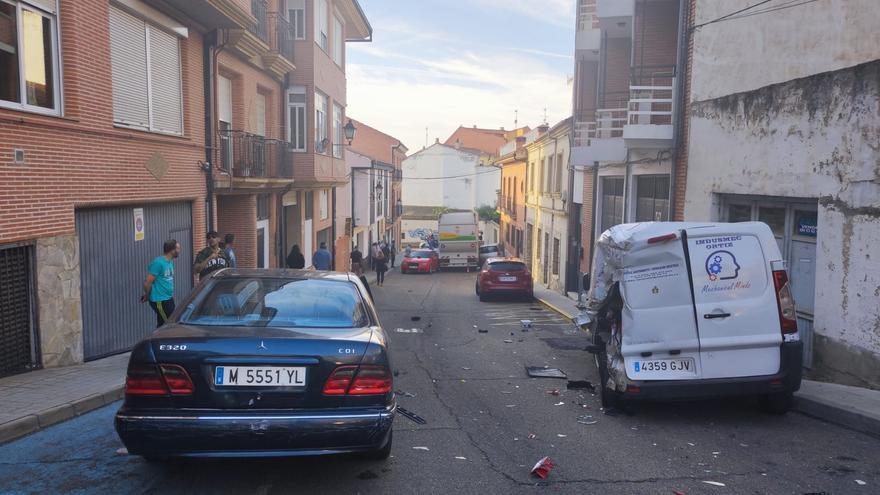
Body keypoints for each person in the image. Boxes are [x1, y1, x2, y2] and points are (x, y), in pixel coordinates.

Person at [141, 239, 179, 328]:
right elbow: (147, 283)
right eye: (178, 248)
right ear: (172, 250)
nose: (179, 251)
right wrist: (147, 295)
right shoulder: (158, 263)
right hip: (160, 300)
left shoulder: (169, 261)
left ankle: (158, 341)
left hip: (168, 298)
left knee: (162, 324)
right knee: (168, 326)